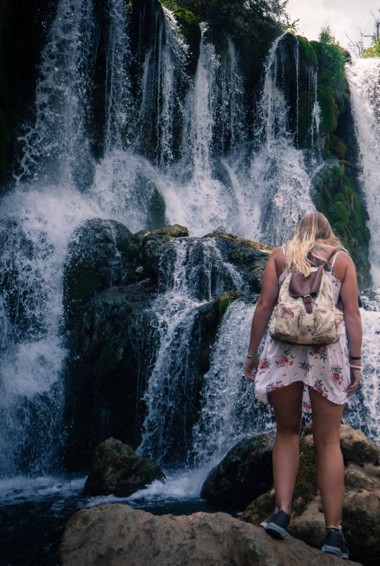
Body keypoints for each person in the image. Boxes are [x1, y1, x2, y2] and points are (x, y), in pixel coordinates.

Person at [244, 212, 362, 559]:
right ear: (328, 234)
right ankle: (334, 534)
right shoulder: (341, 261)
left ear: (299, 231)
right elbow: (352, 314)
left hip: (284, 350)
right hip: (327, 353)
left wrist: (252, 355)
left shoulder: (280, 256)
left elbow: (264, 306)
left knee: (287, 432)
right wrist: (355, 362)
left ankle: (281, 513)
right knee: (328, 441)